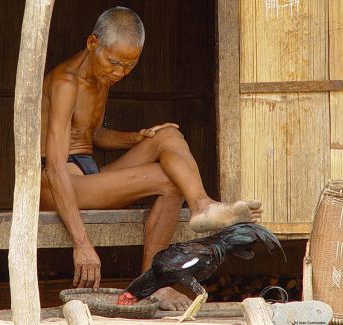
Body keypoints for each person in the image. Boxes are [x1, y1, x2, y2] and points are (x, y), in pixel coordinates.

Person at [39, 6, 262, 310]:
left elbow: (92, 136)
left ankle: (203, 205)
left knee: (168, 136)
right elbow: (54, 166)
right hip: (54, 182)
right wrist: (82, 243)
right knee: (169, 181)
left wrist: (140, 136)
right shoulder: (66, 83)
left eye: (129, 65)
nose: (119, 72)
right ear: (93, 43)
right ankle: (154, 283)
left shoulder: (102, 79)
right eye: (114, 62)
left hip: (86, 174)